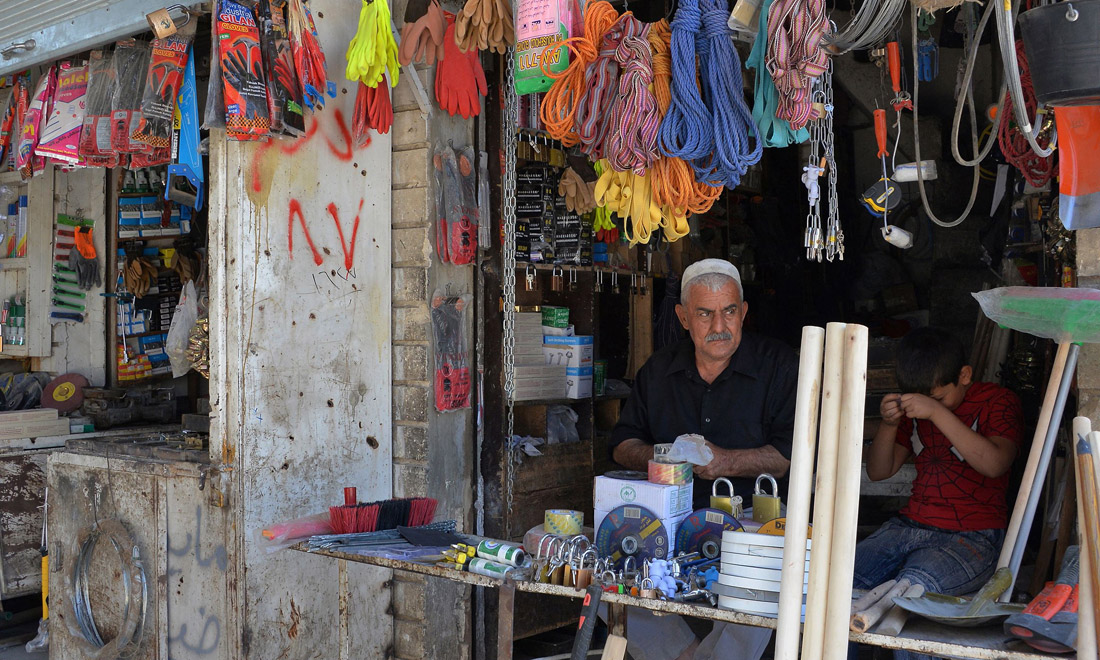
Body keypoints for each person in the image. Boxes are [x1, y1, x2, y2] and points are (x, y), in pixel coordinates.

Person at [608, 258, 799, 660]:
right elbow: (623, 442)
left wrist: (725, 462)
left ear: (744, 312)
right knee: (617, 576)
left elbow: (788, 454)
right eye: (705, 314)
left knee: (761, 591)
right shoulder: (658, 371)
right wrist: (665, 459)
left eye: (730, 312)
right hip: (671, 525)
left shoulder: (779, 367)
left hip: (752, 526)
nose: (719, 326)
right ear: (682, 317)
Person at [854, 327, 1024, 659]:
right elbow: (878, 471)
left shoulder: (997, 400)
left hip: (973, 536)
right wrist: (889, 425)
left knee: (910, 597)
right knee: (836, 583)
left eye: (939, 397)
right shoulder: (917, 408)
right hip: (908, 526)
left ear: (964, 375)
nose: (927, 407)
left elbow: (995, 464)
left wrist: (936, 412)